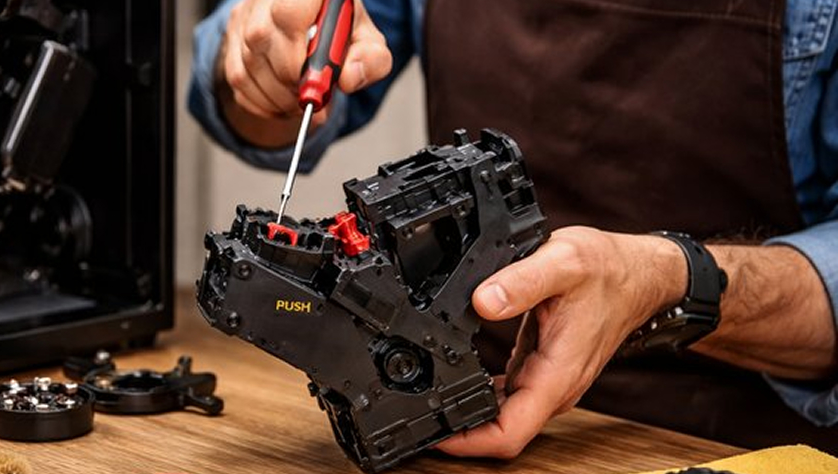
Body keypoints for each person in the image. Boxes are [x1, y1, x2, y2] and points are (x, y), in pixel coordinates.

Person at [189, 0, 838, 457]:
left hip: (737, 443)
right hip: (466, 410)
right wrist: (258, 60)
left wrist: (671, 280)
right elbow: (248, 85)